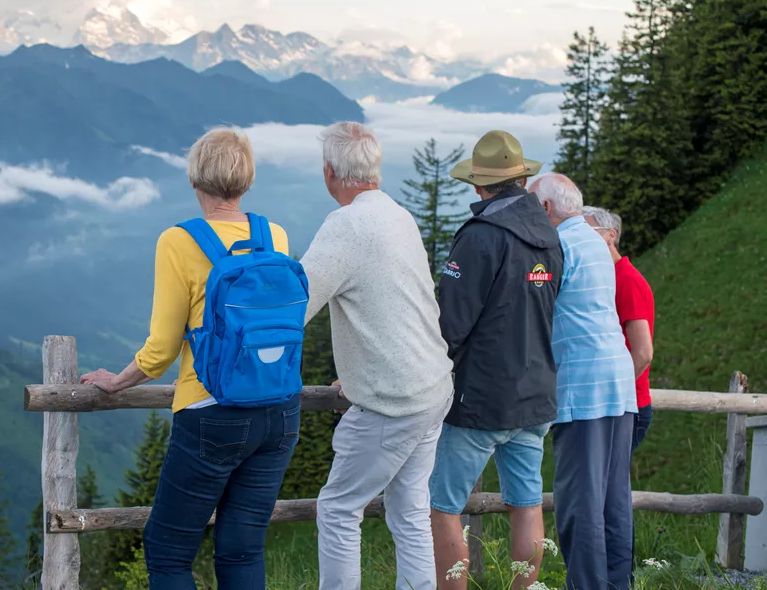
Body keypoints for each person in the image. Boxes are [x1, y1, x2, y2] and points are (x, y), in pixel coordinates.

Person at [80, 127, 301, 589]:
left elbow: (160, 351)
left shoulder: (178, 242)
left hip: (211, 412)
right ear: (247, 181)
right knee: (241, 551)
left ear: (194, 182)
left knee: (168, 552)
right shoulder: (274, 235)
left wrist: (114, 382)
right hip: (280, 412)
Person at [300, 121, 454, 590]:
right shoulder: (397, 214)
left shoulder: (345, 225)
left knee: (339, 508)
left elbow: (295, 303)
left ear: (330, 172)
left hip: (394, 399)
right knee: (409, 511)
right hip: (432, 387)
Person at [429, 130, 563, 590]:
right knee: (526, 504)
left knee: (444, 507)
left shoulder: (480, 237)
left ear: (478, 185)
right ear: (522, 179)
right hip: (536, 393)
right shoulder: (549, 234)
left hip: (481, 399)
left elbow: (450, 323)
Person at [531, 175, 638, 590]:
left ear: (545, 210)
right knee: (614, 502)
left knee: (580, 503)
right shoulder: (596, 241)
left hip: (583, 387)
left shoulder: (558, 247)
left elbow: (534, 307)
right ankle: (616, 584)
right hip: (618, 382)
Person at [583, 206, 656, 451]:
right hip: (620, 404)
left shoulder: (626, 280)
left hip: (624, 406)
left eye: (587, 230)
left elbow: (643, 352)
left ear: (610, 235)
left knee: (605, 486)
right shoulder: (610, 277)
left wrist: (612, 394)